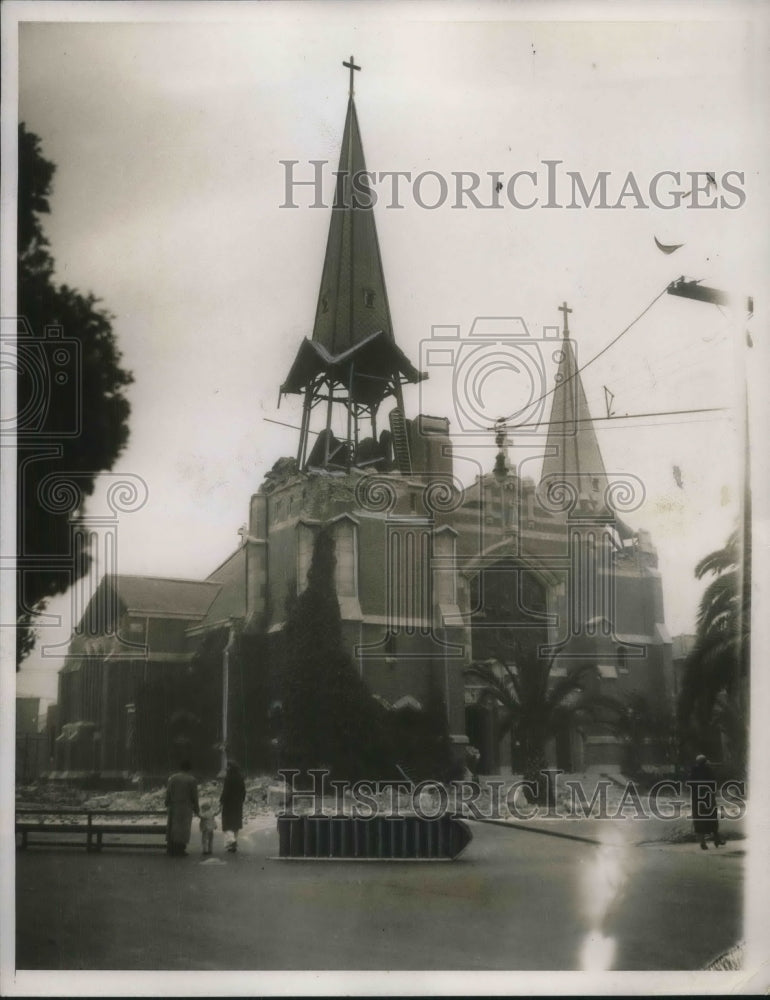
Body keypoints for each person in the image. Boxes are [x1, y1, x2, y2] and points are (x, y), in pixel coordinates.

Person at [688, 753, 725, 850]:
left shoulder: (693, 771)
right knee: (712, 820)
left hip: (697, 800)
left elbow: (690, 785)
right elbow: (713, 784)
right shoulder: (708, 770)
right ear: (705, 762)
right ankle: (717, 839)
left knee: (700, 821)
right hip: (708, 799)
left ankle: (703, 843)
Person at [165, 760, 200, 857]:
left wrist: (167, 802)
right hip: (186, 806)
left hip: (174, 805)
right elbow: (194, 796)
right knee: (183, 828)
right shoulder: (192, 780)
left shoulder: (172, 778)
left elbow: (168, 792)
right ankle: (180, 849)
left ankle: (171, 848)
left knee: (173, 827)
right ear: (189, 769)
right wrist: (196, 809)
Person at [220, 760, 246, 853]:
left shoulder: (228, 778)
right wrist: (241, 800)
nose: (226, 768)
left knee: (228, 823)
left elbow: (226, 791)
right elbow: (243, 791)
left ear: (230, 768)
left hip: (228, 804)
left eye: (228, 766)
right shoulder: (240, 777)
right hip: (238, 804)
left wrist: (221, 800)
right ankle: (234, 842)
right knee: (235, 824)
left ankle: (231, 843)